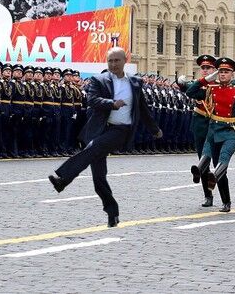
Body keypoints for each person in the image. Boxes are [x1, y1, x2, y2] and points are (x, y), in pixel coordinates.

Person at [48, 47, 162, 228]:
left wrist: (154, 129)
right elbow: (92, 100)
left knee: (92, 148)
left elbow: (143, 109)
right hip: (100, 130)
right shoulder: (99, 80)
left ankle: (63, 179)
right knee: (98, 179)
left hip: (120, 131)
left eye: (117, 60)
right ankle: (112, 212)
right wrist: (112, 104)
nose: (113, 64)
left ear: (126, 60)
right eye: (110, 61)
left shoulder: (135, 83)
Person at [187, 57, 235, 213]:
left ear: (232, 74)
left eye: (226, 72)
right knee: (205, 156)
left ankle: (226, 201)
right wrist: (204, 80)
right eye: (220, 71)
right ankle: (202, 176)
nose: (222, 74)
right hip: (213, 130)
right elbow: (191, 92)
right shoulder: (211, 88)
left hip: (231, 132)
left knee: (222, 162)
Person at [178, 55, 217, 207]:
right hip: (201, 126)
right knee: (203, 162)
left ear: (214, 70)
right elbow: (188, 88)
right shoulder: (198, 86)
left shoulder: (220, 85)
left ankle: (222, 191)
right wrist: (180, 83)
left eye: (208, 68)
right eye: (203, 68)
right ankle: (208, 195)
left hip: (217, 126)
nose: (205, 71)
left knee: (219, 162)